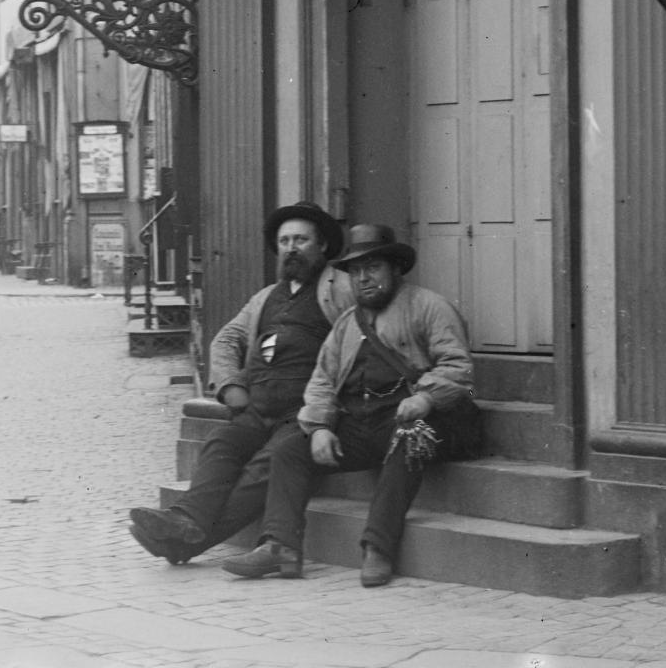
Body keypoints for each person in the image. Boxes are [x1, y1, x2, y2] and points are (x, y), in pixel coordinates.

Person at [225, 224, 477, 588]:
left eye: (373, 268)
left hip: (422, 418)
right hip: (362, 421)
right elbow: (322, 379)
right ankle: (281, 546)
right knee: (289, 449)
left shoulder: (428, 307)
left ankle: (378, 547)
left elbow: (458, 366)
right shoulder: (346, 322)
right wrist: (319, 427)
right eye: (356, 271)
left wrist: (424, 397)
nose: (363, 278)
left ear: (395, 269)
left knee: (409, 437)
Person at [125, 202, 353, 565]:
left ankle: (185, 543)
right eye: (285, 241)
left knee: (265, 466)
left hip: (304, 413)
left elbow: (359, 343)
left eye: (301, 240)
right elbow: (226, 339)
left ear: (322, 245)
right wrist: (232, 386)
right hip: (258, 407)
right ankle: (186, 518)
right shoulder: (266, 297)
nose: (291, 248)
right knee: (222, 442)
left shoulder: (341, 288)